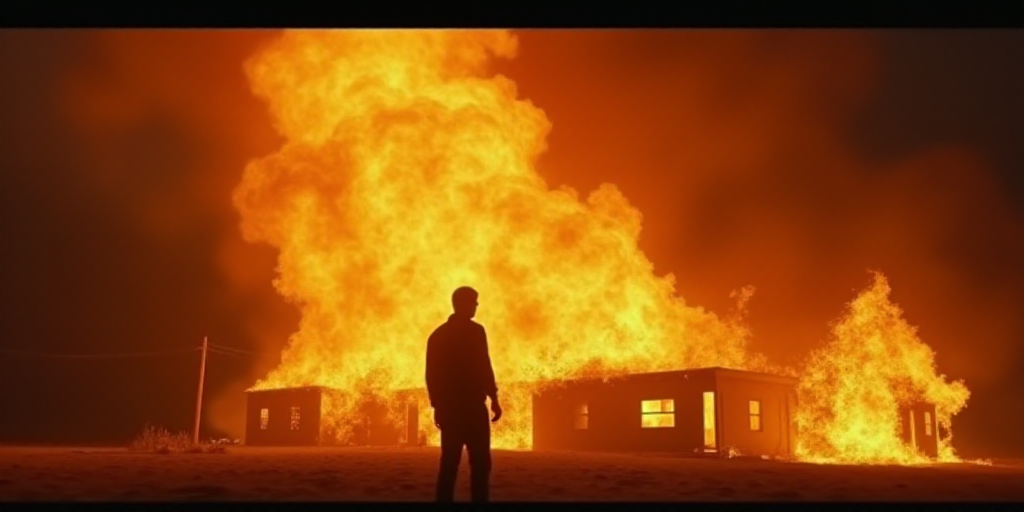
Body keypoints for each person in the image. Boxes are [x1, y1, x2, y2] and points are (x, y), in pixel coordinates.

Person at [425, 286, 502, 502]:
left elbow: (432, 376)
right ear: (463, 303)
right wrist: (494, 399)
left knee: (449, 462)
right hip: (472, 408)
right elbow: (484, 367)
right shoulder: (476, 332)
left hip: (451, 410)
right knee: (480, 463)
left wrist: (437, 406)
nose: (477, 306)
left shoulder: (438, 336)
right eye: (474, 302)